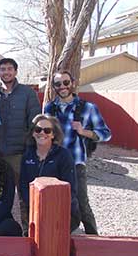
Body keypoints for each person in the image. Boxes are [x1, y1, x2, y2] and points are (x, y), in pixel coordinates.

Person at [44, 71, 111, 236]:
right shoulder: (49, 108)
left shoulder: (88, 108)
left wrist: (84, 131)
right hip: (54, 163)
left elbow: (106, 133)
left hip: (76, 163)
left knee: (82, 204)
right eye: (58, 84)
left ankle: (95, 247)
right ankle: (59, 242)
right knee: (55, 205)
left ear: (72, 83)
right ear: (54, 87)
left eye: (65, 82)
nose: (62, 87)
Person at [0, 57, 41, 230]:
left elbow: (35, 123)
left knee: (25, 196)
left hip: (20, 154)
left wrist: (30, 148)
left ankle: (29, 232)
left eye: (9, 69)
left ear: (15, 71)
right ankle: (4, 230)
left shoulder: (27, 93)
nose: (6, 72)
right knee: (0, 197)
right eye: (2, 69)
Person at [20, 114, 80, 233]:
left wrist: (51, 211)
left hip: (61, 211)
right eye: (38, 129)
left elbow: (70, 188)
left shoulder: (64, 156)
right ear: (33, 133)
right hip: (35, 210)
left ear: (53, 135)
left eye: (47, 130)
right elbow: (23, 185)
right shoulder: (27, 155)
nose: (42, 133)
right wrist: (35, 207)